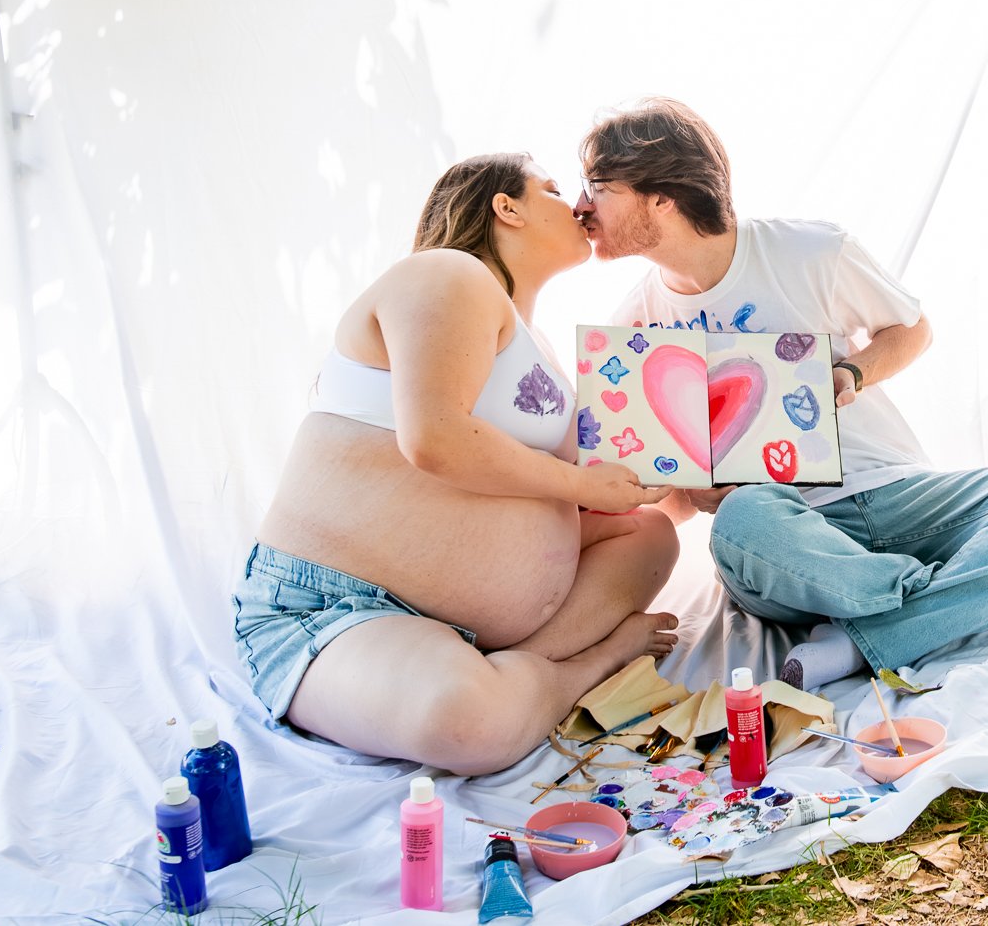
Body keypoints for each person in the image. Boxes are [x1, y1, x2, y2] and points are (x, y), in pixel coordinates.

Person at [573, 99, 988, 690]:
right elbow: (667, 500)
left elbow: (912, 329)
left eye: (598, 186)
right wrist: (692, 487)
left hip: (899, 494)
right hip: (785, 541)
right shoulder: (632, 328)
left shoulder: (811, 251)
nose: (580, 206)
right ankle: (979, 594)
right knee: (740, 519)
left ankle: (870, 638)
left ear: (661, 195)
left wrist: (851, 375)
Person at [234, 154, 681, 774]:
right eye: (553, 190)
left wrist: (692, 484)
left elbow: (592, 494)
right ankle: (591, 664)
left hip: (477, 624)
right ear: (507, 207)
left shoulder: (542, 347)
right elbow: (436, 438)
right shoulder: (448, 275)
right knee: (470, 725)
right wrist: (581, 482)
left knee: (650, 534)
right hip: (339, 607)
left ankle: (510, 668)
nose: (576, 204)